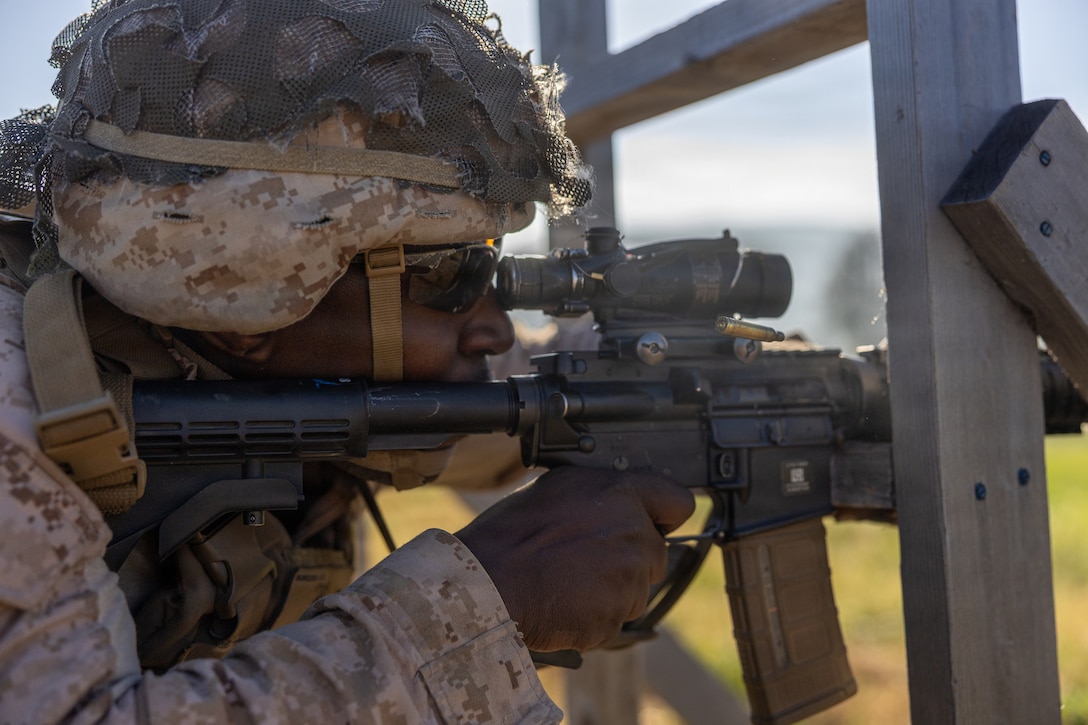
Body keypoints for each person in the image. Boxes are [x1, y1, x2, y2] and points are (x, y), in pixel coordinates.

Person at [0, 0, 695, 722]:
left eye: (493, 265)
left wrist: (698, 383)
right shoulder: (16, 402)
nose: (492, 329)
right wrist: (481, 605)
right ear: (249, 292)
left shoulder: (284, 354)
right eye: (451, 273)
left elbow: (513, 425)